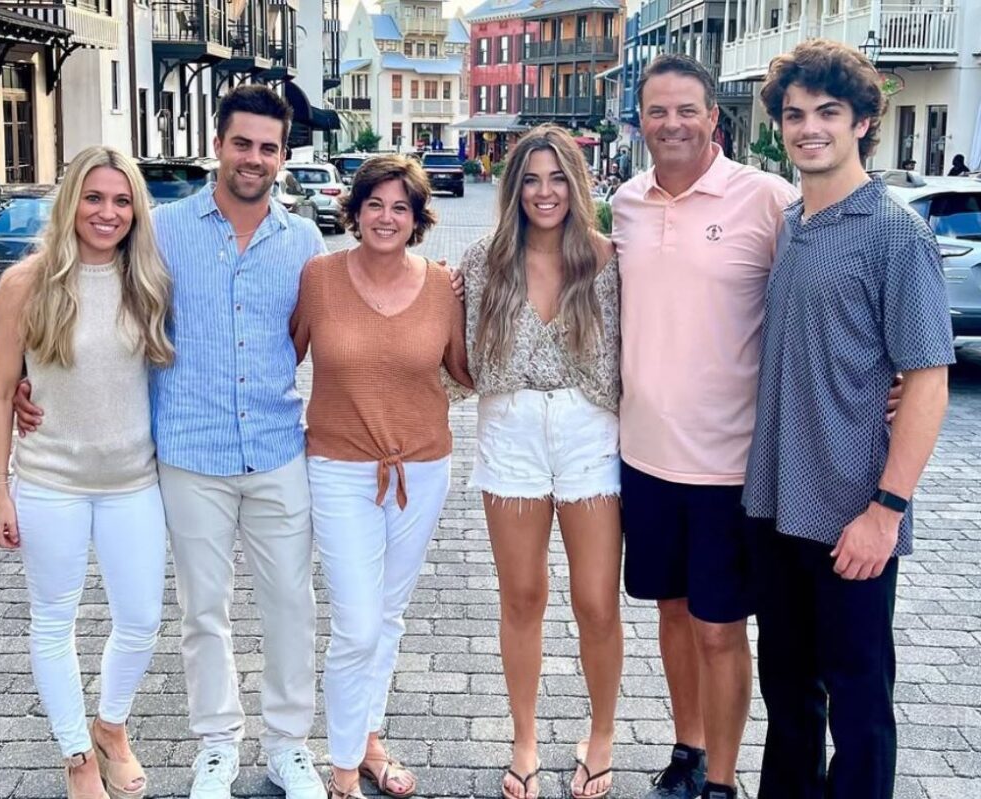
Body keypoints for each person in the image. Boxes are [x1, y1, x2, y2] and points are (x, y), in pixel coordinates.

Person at [14, 85, 330, 799]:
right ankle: (216, 745)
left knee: (291, 603)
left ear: (284, 156)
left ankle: (288, 745)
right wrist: (34, 390)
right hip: (188, 454)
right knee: (202, 612)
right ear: (218, 144)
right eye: (242, 142)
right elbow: (96, 313)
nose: (254, 158)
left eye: (268, 148)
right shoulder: (160, 231)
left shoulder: (305, 242)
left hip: (278, 449)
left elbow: (305, 341)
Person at [745, 40, 954, 799]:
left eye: (828, 112)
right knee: (789, 698)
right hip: (775, 507)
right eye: (795, 115)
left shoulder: (896, 234)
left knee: (860, 706)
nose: (809, 128)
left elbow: (928, 382)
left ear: (863, 120)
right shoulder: (792, 223)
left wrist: (886, 511)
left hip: (852, 516)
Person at [611, 54, 798, 799]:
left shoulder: (769, 199)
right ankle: (687, 749)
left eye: (686, 109)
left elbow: (823, 299)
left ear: (713, 117)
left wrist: (886, 381)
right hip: (644, 458)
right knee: (672, 612)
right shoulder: (625, 203)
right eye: (657, 110)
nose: (672, 123)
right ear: (642, 120)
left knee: (721, 628)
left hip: (729, 464)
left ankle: (722, 779)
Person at [0, 146, 173, 799]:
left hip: (134, 482)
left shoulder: (149, 279)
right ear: (70, 202)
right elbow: (0, 392)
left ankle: (111, 726)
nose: (108, 212)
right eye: (95, 197)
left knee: (143, 617)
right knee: (53, 618)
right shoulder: (25, 284)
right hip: (49, 482)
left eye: (122, 201)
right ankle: (75, 755)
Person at [292, 155, 473, 799]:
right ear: (355, 210)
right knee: (357, 621)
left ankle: (369, 740)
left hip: (422, 469)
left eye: (401, 207)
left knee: (389, 615)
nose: (386, 217)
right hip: (339, 469)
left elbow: (468, 370)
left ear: (418, 218)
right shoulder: (319, 278)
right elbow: (269, 360)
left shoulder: (442, 286)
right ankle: (342, 764)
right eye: (375, 204)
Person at [461, 124, 621, 799]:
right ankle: (524, 738)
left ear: (578, 185)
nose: (544, 192)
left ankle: (603, 734)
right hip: (511, 431)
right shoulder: (481, 263)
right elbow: (452, 358)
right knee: (522, 596)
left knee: (595, 600)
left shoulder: (611, 261)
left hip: (591, 433)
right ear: (514, 186)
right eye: (531, 179)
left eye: (558, 178)